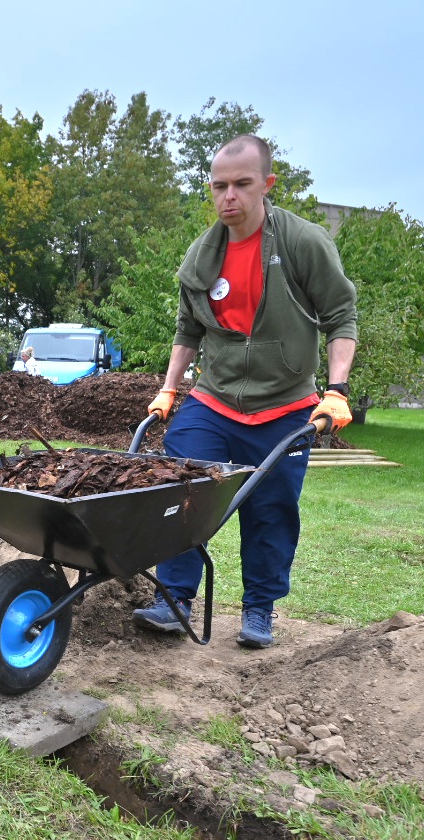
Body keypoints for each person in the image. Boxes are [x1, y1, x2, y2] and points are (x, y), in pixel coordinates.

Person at [131, 134, 357, 649]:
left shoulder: (303, 242)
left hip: (285, 404)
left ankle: (259, 609)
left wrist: (337, 390)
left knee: (272, 505)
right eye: (218, 186)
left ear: (266, 185)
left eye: (241, 184)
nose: (228, 196)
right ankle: (175, 599)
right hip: (214, 399)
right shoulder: (202, 256)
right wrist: (169, 390)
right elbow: (189, 330)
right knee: (182, 488)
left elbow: (341, 315)